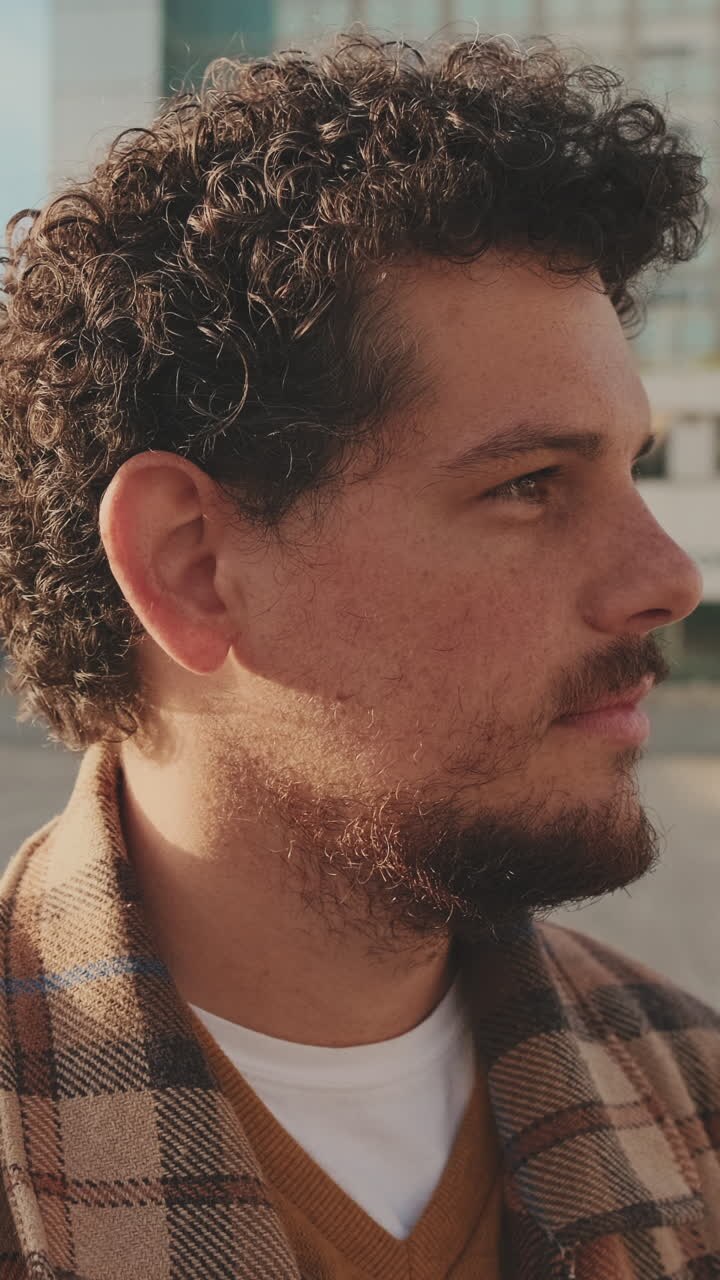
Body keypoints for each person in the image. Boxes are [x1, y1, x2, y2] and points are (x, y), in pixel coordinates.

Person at [0, 29, 718, 1280]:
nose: (669, 580)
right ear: (192, 565)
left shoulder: (693, 1096)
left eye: (634, 467)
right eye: (530, 484)